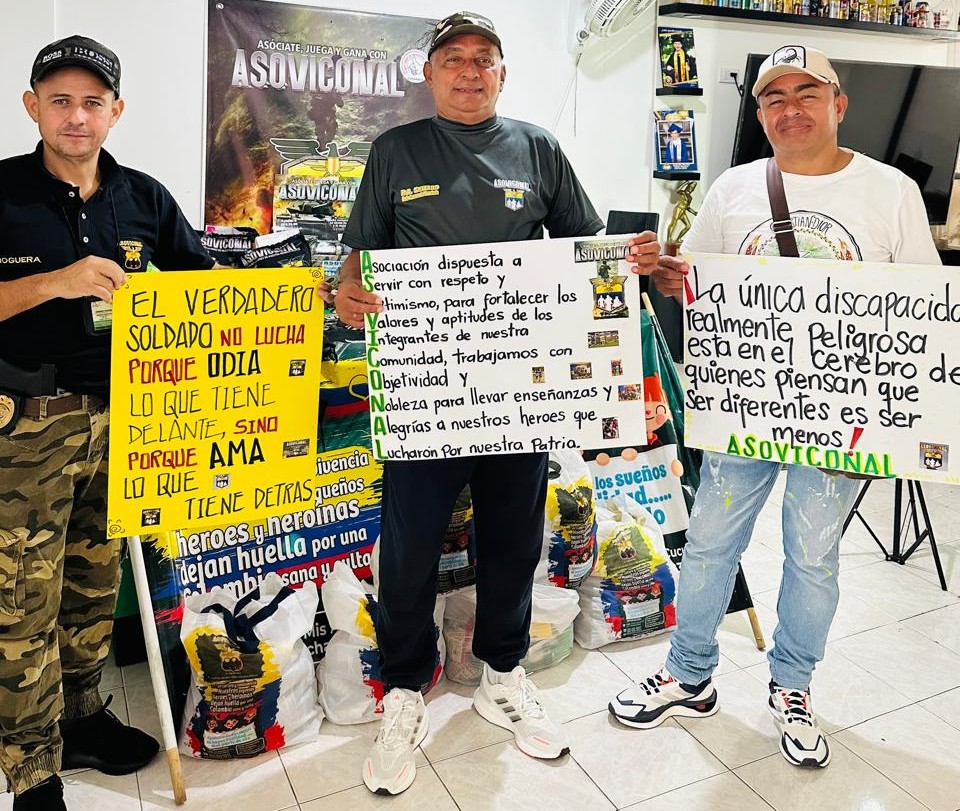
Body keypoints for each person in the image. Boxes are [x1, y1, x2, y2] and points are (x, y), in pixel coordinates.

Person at [327, 11, 659, 796]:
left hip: (519, 390)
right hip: (425, 390)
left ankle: (503, 674)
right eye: (454, 58)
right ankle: (405, 686)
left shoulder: (537, 148)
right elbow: (357, 259)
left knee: (513, 538)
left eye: (484, 58)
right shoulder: (394, 150)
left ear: (503, 74)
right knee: (408, 546)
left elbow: (586, 250)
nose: (469, 70)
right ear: (429, 73)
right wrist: (346, 289)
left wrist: (630, 261)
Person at [609, 44, 939, 769]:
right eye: (774, 98)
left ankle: (793, 687)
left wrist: (906, 423)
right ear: (759, 114)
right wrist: (659, 271)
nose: (790, 109)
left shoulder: (890, 191)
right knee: (709, 542)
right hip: (743, 407)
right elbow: (690, 281)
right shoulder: (733, 188)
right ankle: (689, 673)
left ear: (837, 103)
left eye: (806, 94)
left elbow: (922, 308)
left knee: (813, 555)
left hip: (844, 416)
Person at [0, 35, 214, 810]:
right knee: (21, 601)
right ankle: (30, 769)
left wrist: (292, 299)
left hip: (121, 422)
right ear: (33, 106)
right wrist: (55, 283)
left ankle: (83, 716)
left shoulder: (144, 197)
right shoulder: (3, 192)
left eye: (92, 102)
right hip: (26, 426)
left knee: (94, 584)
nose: (76, 116)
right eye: (60, 100)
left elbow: (205, 293)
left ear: (116, 111)